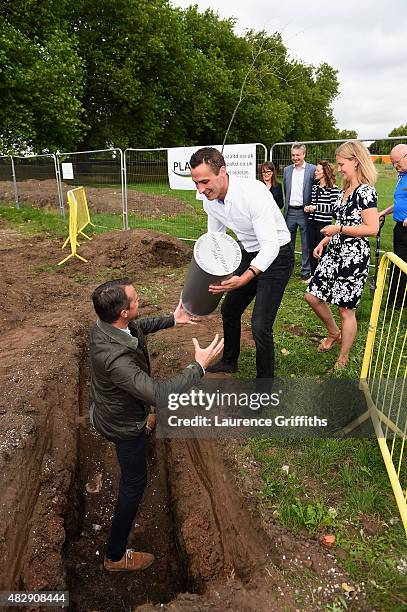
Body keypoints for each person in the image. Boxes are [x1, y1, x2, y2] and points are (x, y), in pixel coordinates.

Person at [89, 278, 224, 572]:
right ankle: (114, 556)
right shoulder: (116, 360)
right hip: (123, 425)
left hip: (115, 407)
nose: (140, 301)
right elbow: (159, 394)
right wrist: (198, 367)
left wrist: (172, 320)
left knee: (142, 417)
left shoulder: (107, 327)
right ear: (123, 312)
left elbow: (139, 327)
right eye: (135, 300)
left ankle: (144, 420)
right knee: (134, 484)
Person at [189, 147, 293, 379]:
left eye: (205, 181)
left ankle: (264, 386)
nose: (201, 189)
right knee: (230, 309)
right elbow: (217, 241)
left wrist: (245, 277)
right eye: (196, 182)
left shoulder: (253, 193)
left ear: (222, 171)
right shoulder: (210, 201)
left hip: (277, 257)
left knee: (260, 326)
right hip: (249, 253)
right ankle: (229, 361)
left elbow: (270, 245)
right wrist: (213, 275)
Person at [304, 141, 379, 369]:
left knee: (346, 309)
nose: (338, 169)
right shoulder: (345, 189)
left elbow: (372, 228)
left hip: (353, 257)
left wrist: (339, 230)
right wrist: (325, 240)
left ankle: (343, 357)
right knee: (312, 296)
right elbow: (342, 222)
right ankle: (333, 332)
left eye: (341, 164)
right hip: (335, 250)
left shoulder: (365, 191)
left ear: (355, 161)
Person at [283, 143, 316, 281]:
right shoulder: (287, 170)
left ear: (304, 154)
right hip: (290, 211)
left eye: (298, 155)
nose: (295, 158)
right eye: (293, 155)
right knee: (287, 242)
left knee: (305, 243)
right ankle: (287, 269)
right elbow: (286, 188)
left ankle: (305, 271)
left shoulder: (312, 170)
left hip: (305, 212)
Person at [379, 143, 407, 307]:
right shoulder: (401, 176)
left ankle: (397, 301)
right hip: (400, 228)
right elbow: (400, 202)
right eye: (393, 163)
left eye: (398, 162)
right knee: (398, 263)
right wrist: (383, 212)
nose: (395, 166)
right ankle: (396, 300)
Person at [304, 160, 340, 276]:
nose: (315, 172)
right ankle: (314, 274)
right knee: (312, 249)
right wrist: (308, 208)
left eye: (318, 170)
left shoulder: (333, 189)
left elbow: (333, 208)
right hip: (312, 223)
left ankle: (323, 274)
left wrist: (315, 207)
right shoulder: (315, 187)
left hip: (324, 224)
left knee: (322, 250)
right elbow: (314, 203)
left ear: (324, 172)